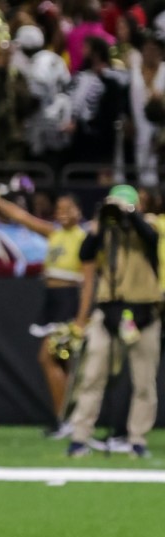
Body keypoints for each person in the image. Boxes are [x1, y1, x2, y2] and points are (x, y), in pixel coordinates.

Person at [66, 185, 161, 459]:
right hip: (108, 312)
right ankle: (79, 437)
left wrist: (130, 214)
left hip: (143, 312)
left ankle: (137, 440)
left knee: (144, 382)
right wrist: (99, 224)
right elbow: (85, 254)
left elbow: (150, 238)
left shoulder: (148, 223)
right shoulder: (104, 230)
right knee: (91, 375)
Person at [0, 190, 87, 436]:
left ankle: (67, 420)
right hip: (52, 300)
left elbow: (90, 279)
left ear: (79, 211)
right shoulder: (54, 232)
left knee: (48, 358)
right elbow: (19, 215)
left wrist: (82, 317)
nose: (62, 214)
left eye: (67, 209)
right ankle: (68, 420)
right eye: (59, 209)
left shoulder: (84, 236)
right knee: (61, 361)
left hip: (69, 299)